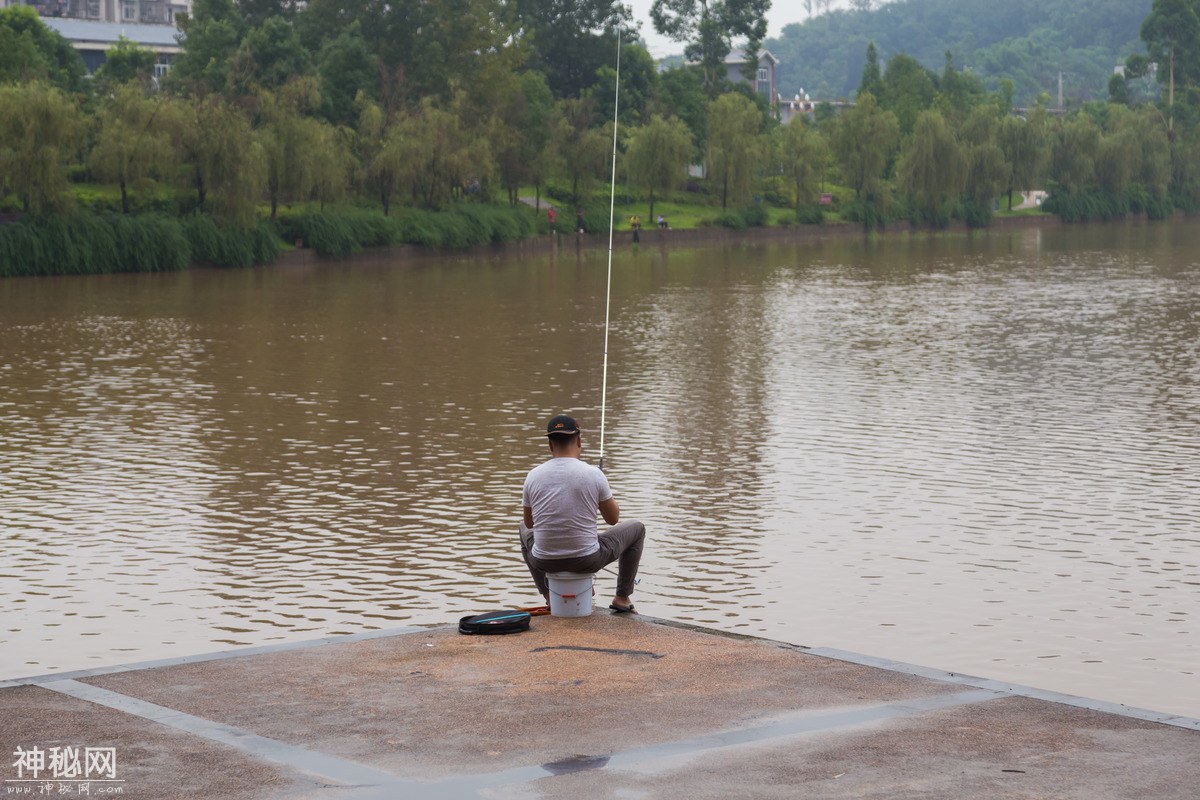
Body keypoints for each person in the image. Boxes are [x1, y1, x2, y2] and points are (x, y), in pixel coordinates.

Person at [520, 414, 645, 613]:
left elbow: (529, 523)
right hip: (587, 559)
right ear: (579, 441)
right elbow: (613, 519)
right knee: (637, 529)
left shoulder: (532, 476)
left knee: (521, 529)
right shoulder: (594, 474)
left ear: (550, 445)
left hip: (543, 560)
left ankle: (548, 595)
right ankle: (622, 597)